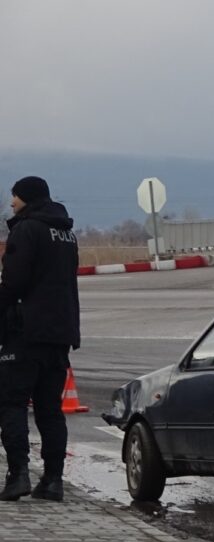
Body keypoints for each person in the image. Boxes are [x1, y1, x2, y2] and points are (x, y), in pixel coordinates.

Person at [0, 176, 80, 502]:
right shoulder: (67, 233)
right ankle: (53, 480)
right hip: (60, 334)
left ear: (28, 198)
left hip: (25, 333)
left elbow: (14, 282)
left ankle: (18, 475)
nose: (11, 204)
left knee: (12, 403)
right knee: (50, 409)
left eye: (14, 197)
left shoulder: (26, 229)